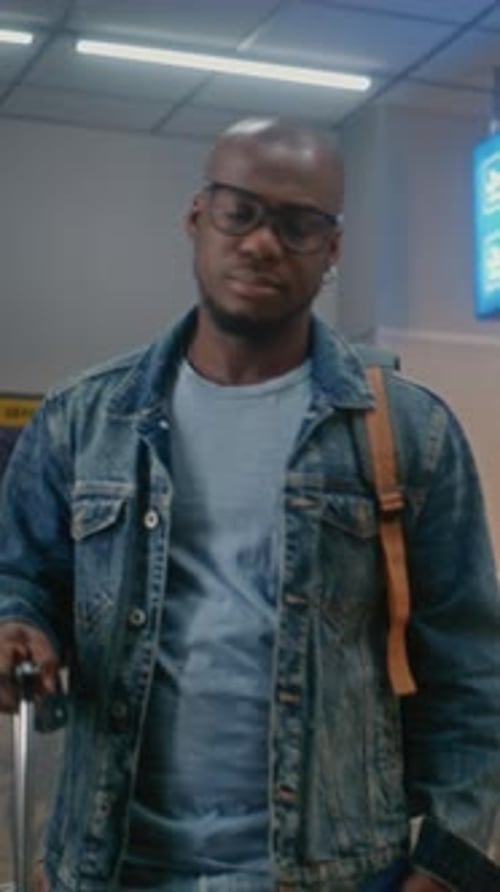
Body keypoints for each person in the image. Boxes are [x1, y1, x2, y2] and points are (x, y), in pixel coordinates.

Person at [0, 118, 499, 892]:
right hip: (115, 866)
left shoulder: (408, 431)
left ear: (332, 249)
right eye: (240, 213)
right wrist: (17, 623)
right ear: (197, 218)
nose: (264, 243)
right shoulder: (84, 420)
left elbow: (471, 670)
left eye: (299, 225)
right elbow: (21, 575)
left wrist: (447, 867)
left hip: (335, 872)